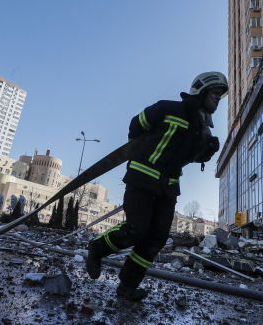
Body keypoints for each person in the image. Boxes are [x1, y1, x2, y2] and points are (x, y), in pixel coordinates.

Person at [85, 72, 225, 300]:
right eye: (216, 93)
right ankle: (96, 249)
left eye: (220, 96)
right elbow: (136, 124)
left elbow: (188, 157)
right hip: (142, 178)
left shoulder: (202, 129)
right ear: (201, 90)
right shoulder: (168, 108)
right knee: (136, 230)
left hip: (168, 188)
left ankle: (127, 286)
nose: (218, 98)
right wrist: (139, 152)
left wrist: (207, 150)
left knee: (157, 238)